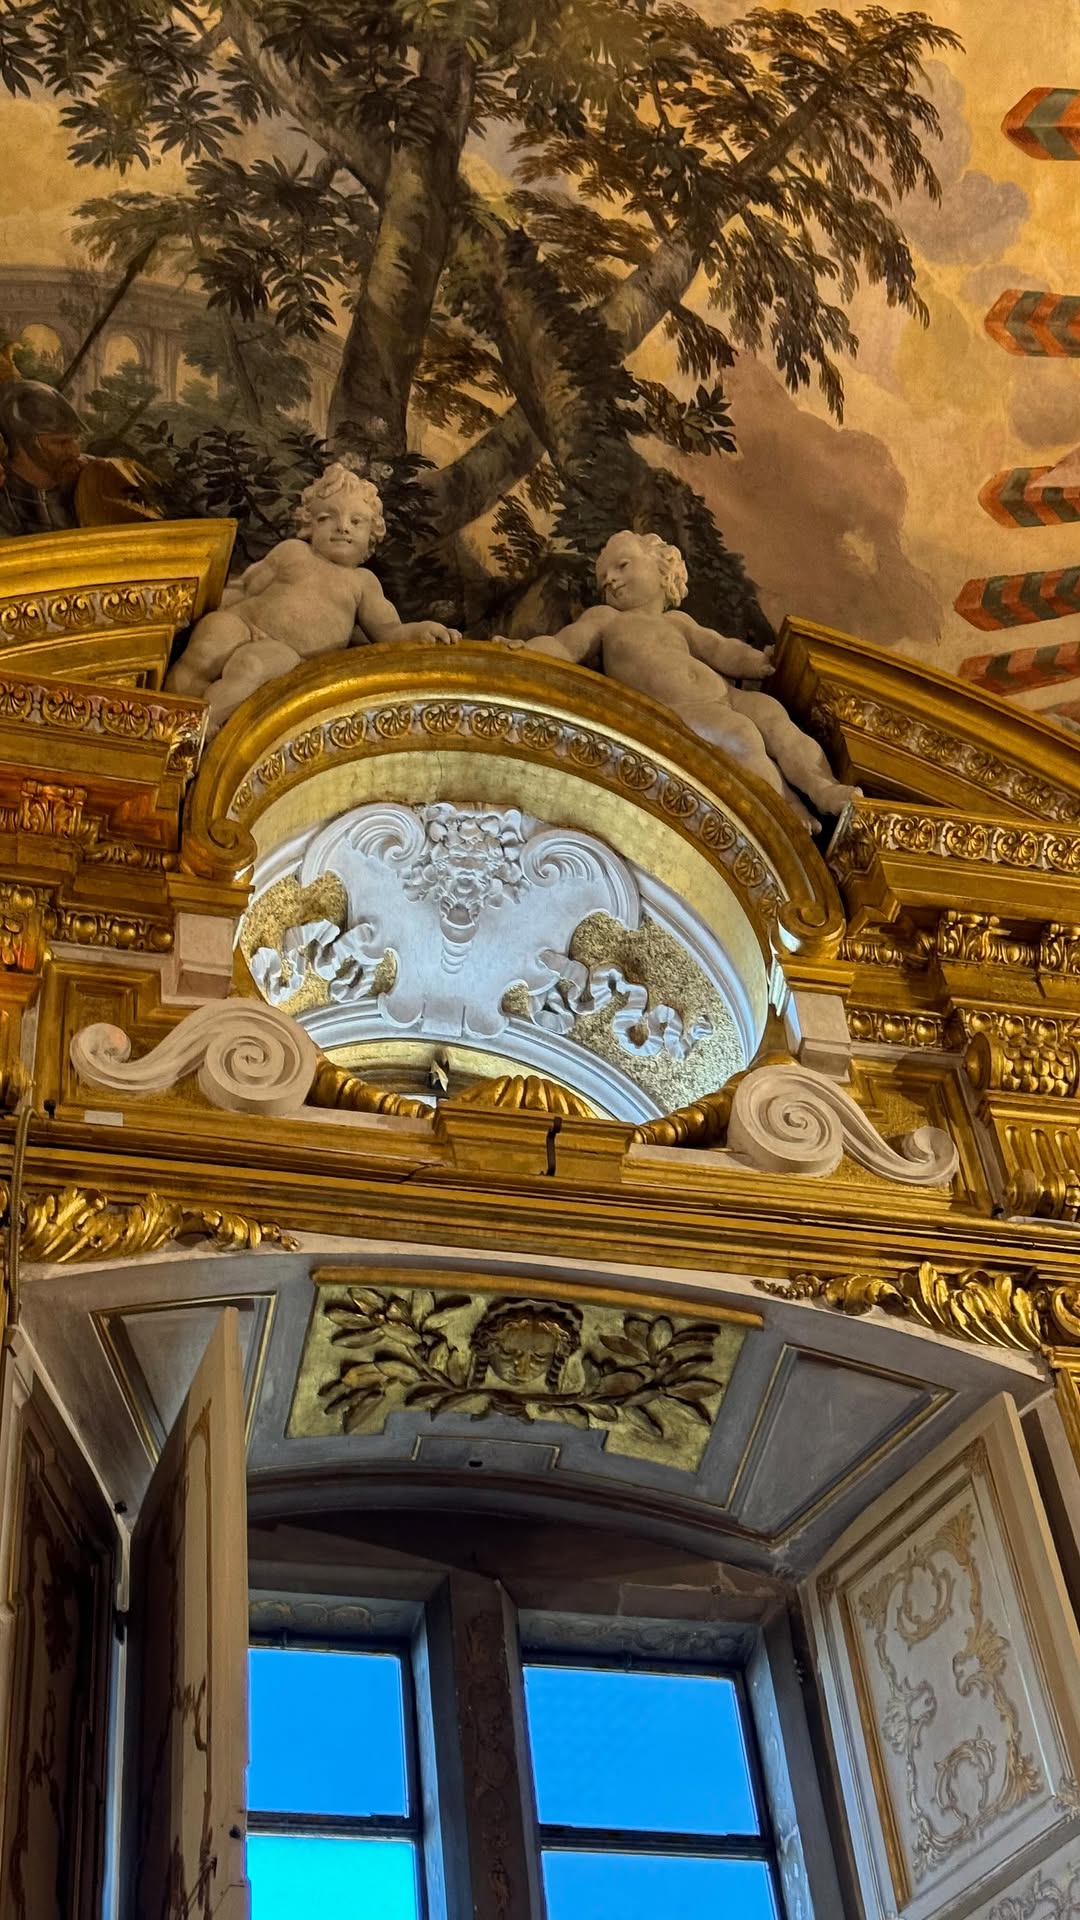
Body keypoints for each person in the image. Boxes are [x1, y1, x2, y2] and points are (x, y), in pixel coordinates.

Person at [510, 529, 858, 821]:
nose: (610, 580)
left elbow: (719, 648)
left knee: (775, 719)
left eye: (622, 566)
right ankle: (782, 809)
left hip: (725, 694)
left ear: (661, 566)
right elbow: (565, 646)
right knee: (741, 734)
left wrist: (757, 662)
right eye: (603, 580)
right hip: (678, 710)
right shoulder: (607, 619)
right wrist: (524, 652)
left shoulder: (679, 621)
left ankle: (823, 788)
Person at [167, 462, 459, 731]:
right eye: (326, 517)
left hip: (289, 651)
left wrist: (420, 630)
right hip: (245, 621)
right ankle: (165, 714)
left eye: (356, 521)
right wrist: (191, 608)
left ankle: (198, 727)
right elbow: (244, 587)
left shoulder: (362, 582)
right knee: (211, 638)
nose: (343, 526)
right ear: (310, 524)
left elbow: (388, 631)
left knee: (251, 665)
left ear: (372, 535)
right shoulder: (293, 551)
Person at [0, 378, 159, 538]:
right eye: (61, 442)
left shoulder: (99, 477)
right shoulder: (3, 494)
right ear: (24, 443)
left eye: (76, 439)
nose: (75, 452)